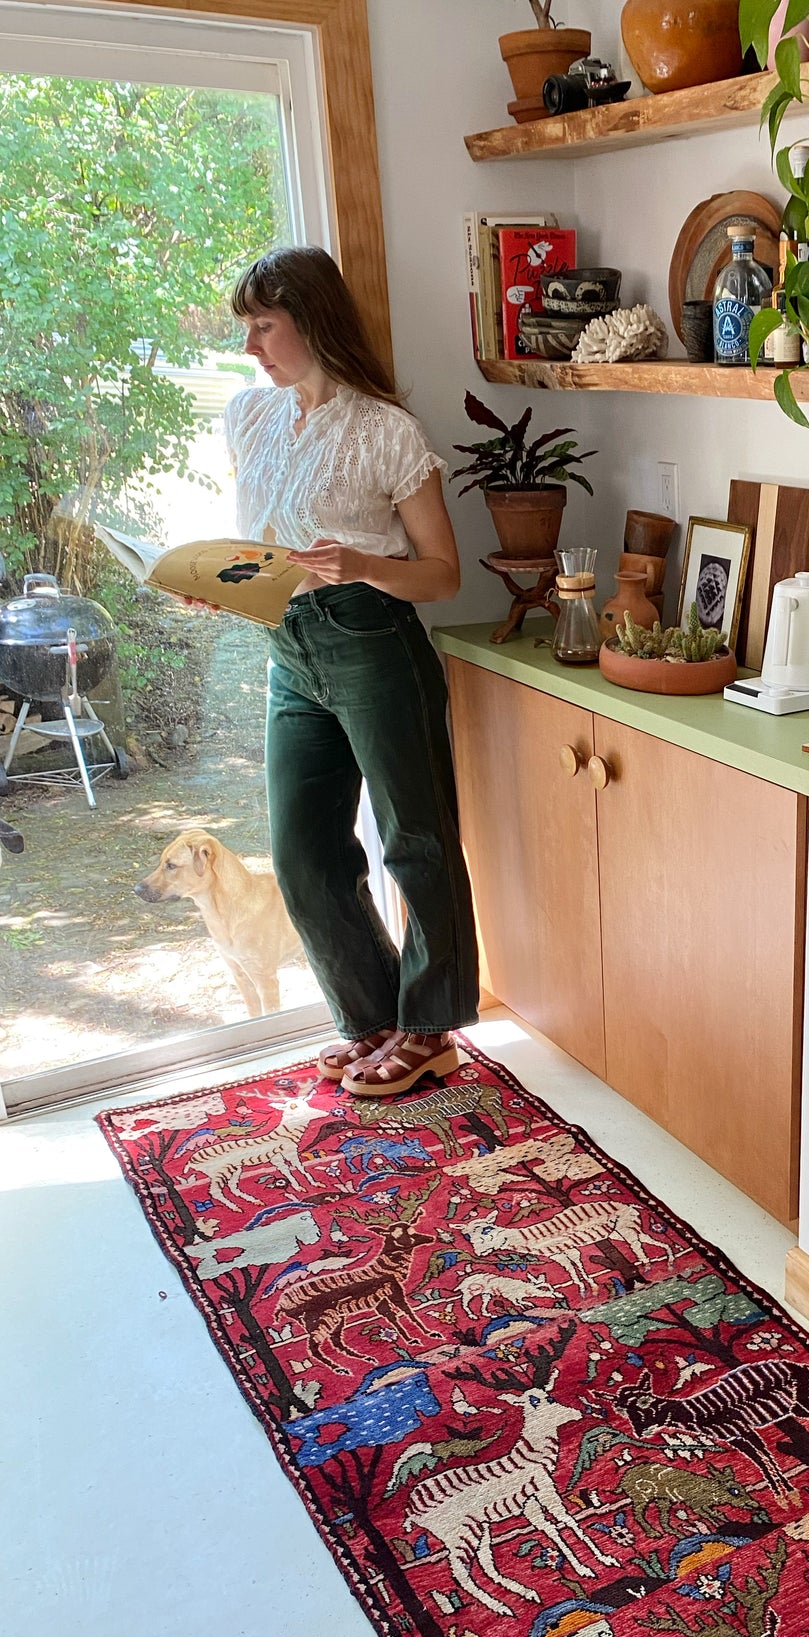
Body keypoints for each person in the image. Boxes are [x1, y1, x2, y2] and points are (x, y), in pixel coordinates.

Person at [216, 245, 479, 1096]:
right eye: (246, 327)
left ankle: (430, 1027)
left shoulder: (385, 431)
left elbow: (443, 573)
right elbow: (263, 547)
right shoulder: (249, 418)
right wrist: (218, 590)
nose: (250, 345)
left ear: (312, 319)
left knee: (416, 840)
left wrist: (365, 564)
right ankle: (372, 1020)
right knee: (301, 852)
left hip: (372, 638)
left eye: (264, 324)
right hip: (288, 646)